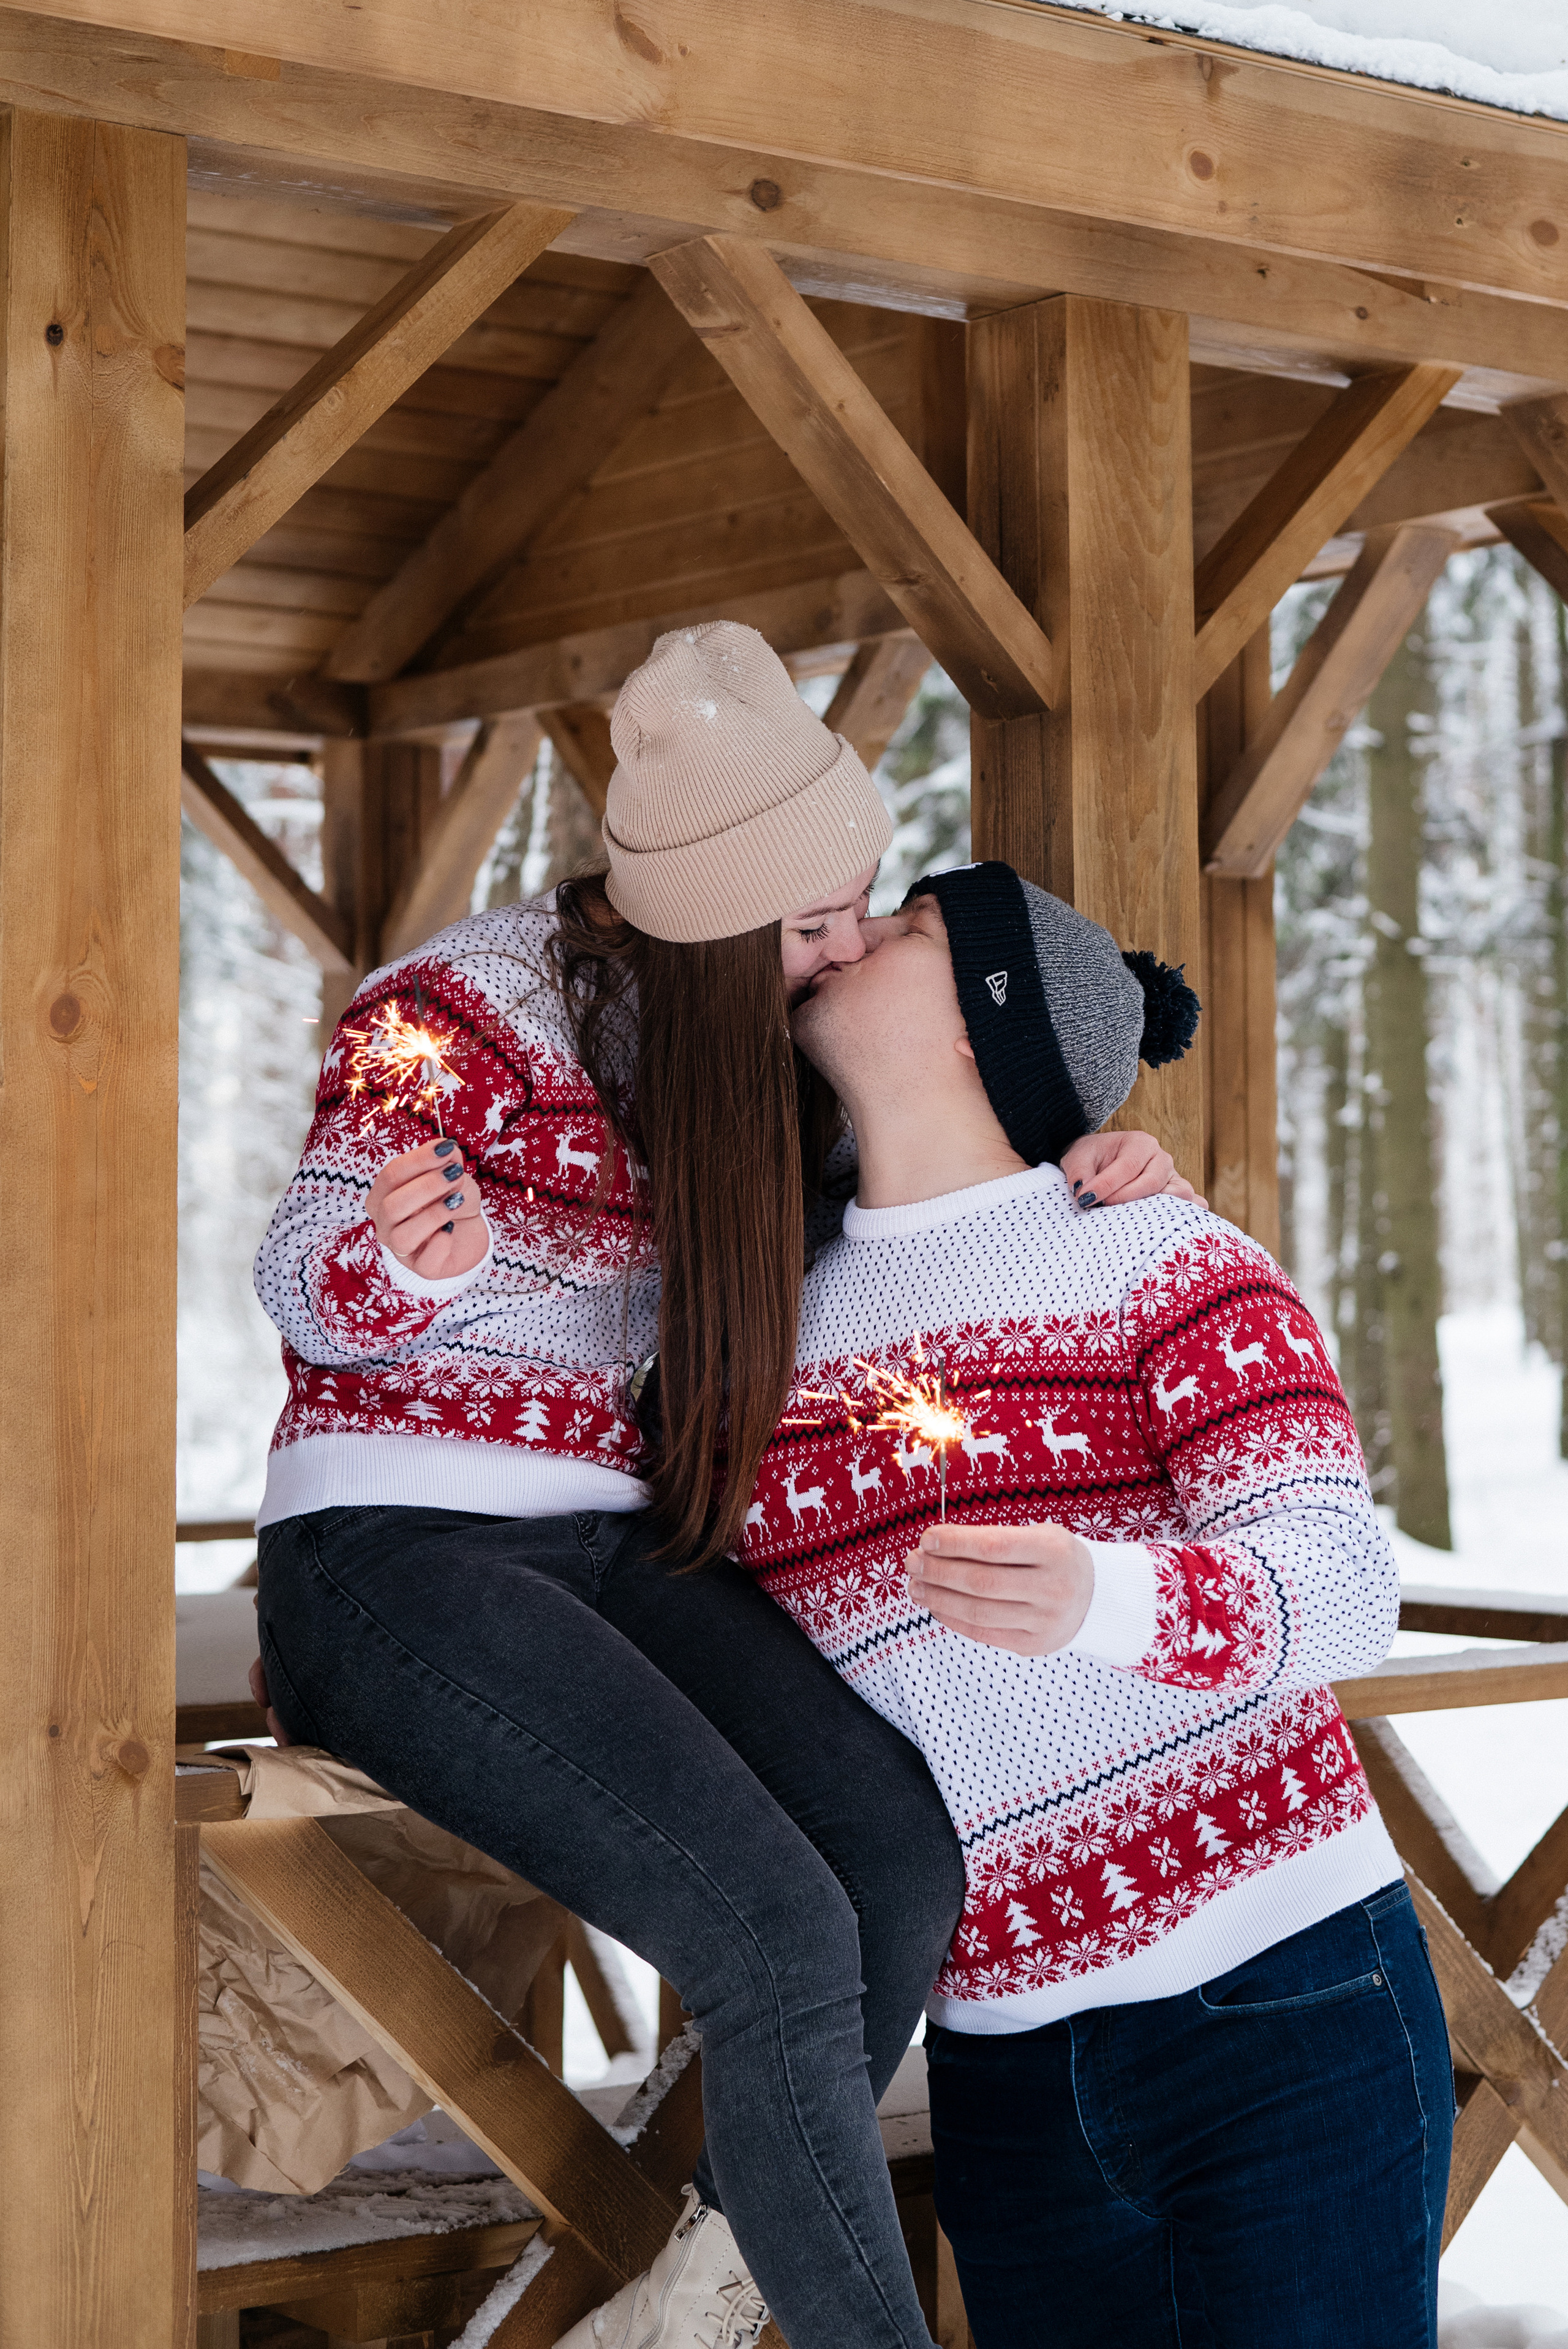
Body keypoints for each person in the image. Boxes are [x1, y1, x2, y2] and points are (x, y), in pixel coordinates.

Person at [249, 627, 1183, 2349]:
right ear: (697, 912)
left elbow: (937, 1178)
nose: (844, 949)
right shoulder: (458, 1008)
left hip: (616, 1549)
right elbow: (306, 1261)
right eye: (810, 921)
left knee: (900, 1863)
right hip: (394, 1553)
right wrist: (400, 1265)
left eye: (859, 904)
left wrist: (1091, 1171)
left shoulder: (761, 1045)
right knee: (767, 1931)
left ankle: (702, 2287)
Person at [740, 861, 1452, 2349]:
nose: (848, 935)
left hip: (1283, 2011)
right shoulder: (766, 1339)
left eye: (907, 927)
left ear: (980, 1024)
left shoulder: (1160, 1254)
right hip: (995, 2065)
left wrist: (1101, 1599)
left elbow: (1340, 1588)